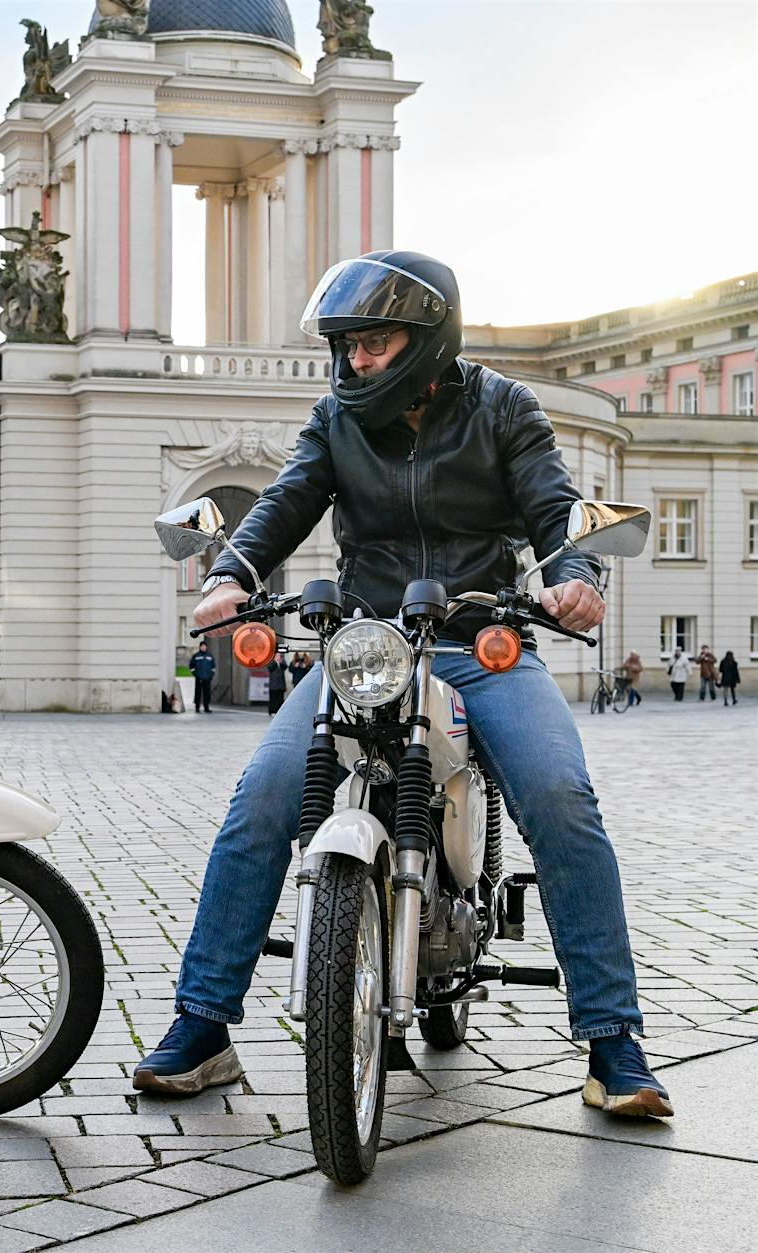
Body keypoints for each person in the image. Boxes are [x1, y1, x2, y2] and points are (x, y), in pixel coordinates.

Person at [133, 251, 671, 1119]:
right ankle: (203, 1023)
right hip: (366, 645)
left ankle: (614, 1042)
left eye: (372, 343)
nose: (355, 361)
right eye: (346, 345)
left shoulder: (504, 407)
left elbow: (554, 506)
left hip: (478, 640)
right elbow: (286, 501)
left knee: (561, 797)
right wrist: (230, 572)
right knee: (263, 797)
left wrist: (575, 576)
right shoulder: (335, 419)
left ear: (425, 341)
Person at [188, 641, 216, 712]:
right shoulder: (196, 656)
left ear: (206, 647)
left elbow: (213, 667)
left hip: (207, 678)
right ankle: (197, 707)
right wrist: (195, 674)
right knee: (198, 693)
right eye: (202, 646)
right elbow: (191, 666)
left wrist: (211, 675)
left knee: (207, 693)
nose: (203, 647)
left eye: (204, 646)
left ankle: (206, 707)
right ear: (200, 647)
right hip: (199, 678)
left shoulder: (210, 656)